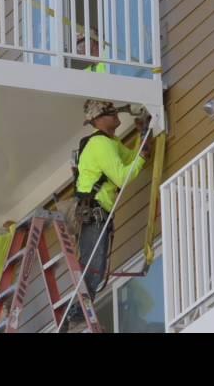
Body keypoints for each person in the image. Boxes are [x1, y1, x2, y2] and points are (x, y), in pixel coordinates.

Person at [63, 100, 151, 332]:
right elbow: (123, 177)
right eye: (111, 112)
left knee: (95, 267)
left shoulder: (109, 142)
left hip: (96, 212)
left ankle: (76, 315)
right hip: (94, 212)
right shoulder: (100, 143)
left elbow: (131, 159)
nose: (116, 114)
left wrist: (143, 138)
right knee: (94, 267)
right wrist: (142, 154)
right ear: (99, 118)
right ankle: (75, 316)